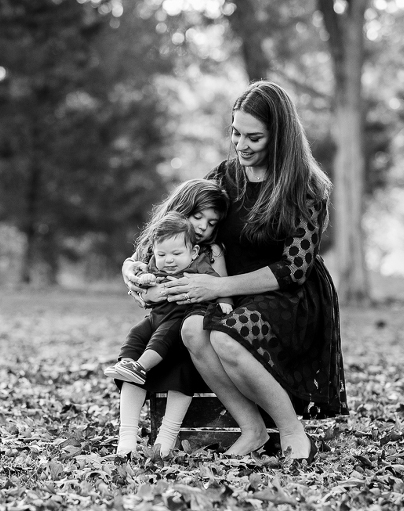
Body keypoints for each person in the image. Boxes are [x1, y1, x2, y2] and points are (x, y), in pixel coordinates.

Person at [123, 80, 348, 462]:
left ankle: (293, 432)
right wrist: (132, 265)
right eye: (235, 132)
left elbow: (294, 268)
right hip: (228, 290)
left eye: (253, 137)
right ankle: (252, 429)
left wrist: (217, 287)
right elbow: (176, 225)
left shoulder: (307, 188)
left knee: (226, 338)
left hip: (288, 297)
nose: (241, 145)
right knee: (192, 330)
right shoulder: (225, 177)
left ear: (280, 137)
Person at [110, 179, 230, 456]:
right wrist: (141, 282)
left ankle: (166, 438)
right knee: (133, 349)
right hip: (159, 319)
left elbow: (222, 285)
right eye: (197, 217)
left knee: (180, 371)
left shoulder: (211, 252)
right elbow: (137, 269)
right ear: (182, 208)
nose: (203, 226)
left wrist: (225, 303)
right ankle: (126, 437)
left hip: (189, 325)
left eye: (211, 223)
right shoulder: (162, 244)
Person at [105, 211, 233, 385]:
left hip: (179, 315)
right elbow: (143, 277)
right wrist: (145, 279)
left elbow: (217, 284)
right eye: (162, 255)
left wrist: (224, 301)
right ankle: (126, 362)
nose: (169, 260)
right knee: (136, 333)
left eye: (176, 254)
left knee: (162, 337)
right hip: (156, 315)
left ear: (193, 252)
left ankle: (141, 367)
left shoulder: (199, 264)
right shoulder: (155, 263)